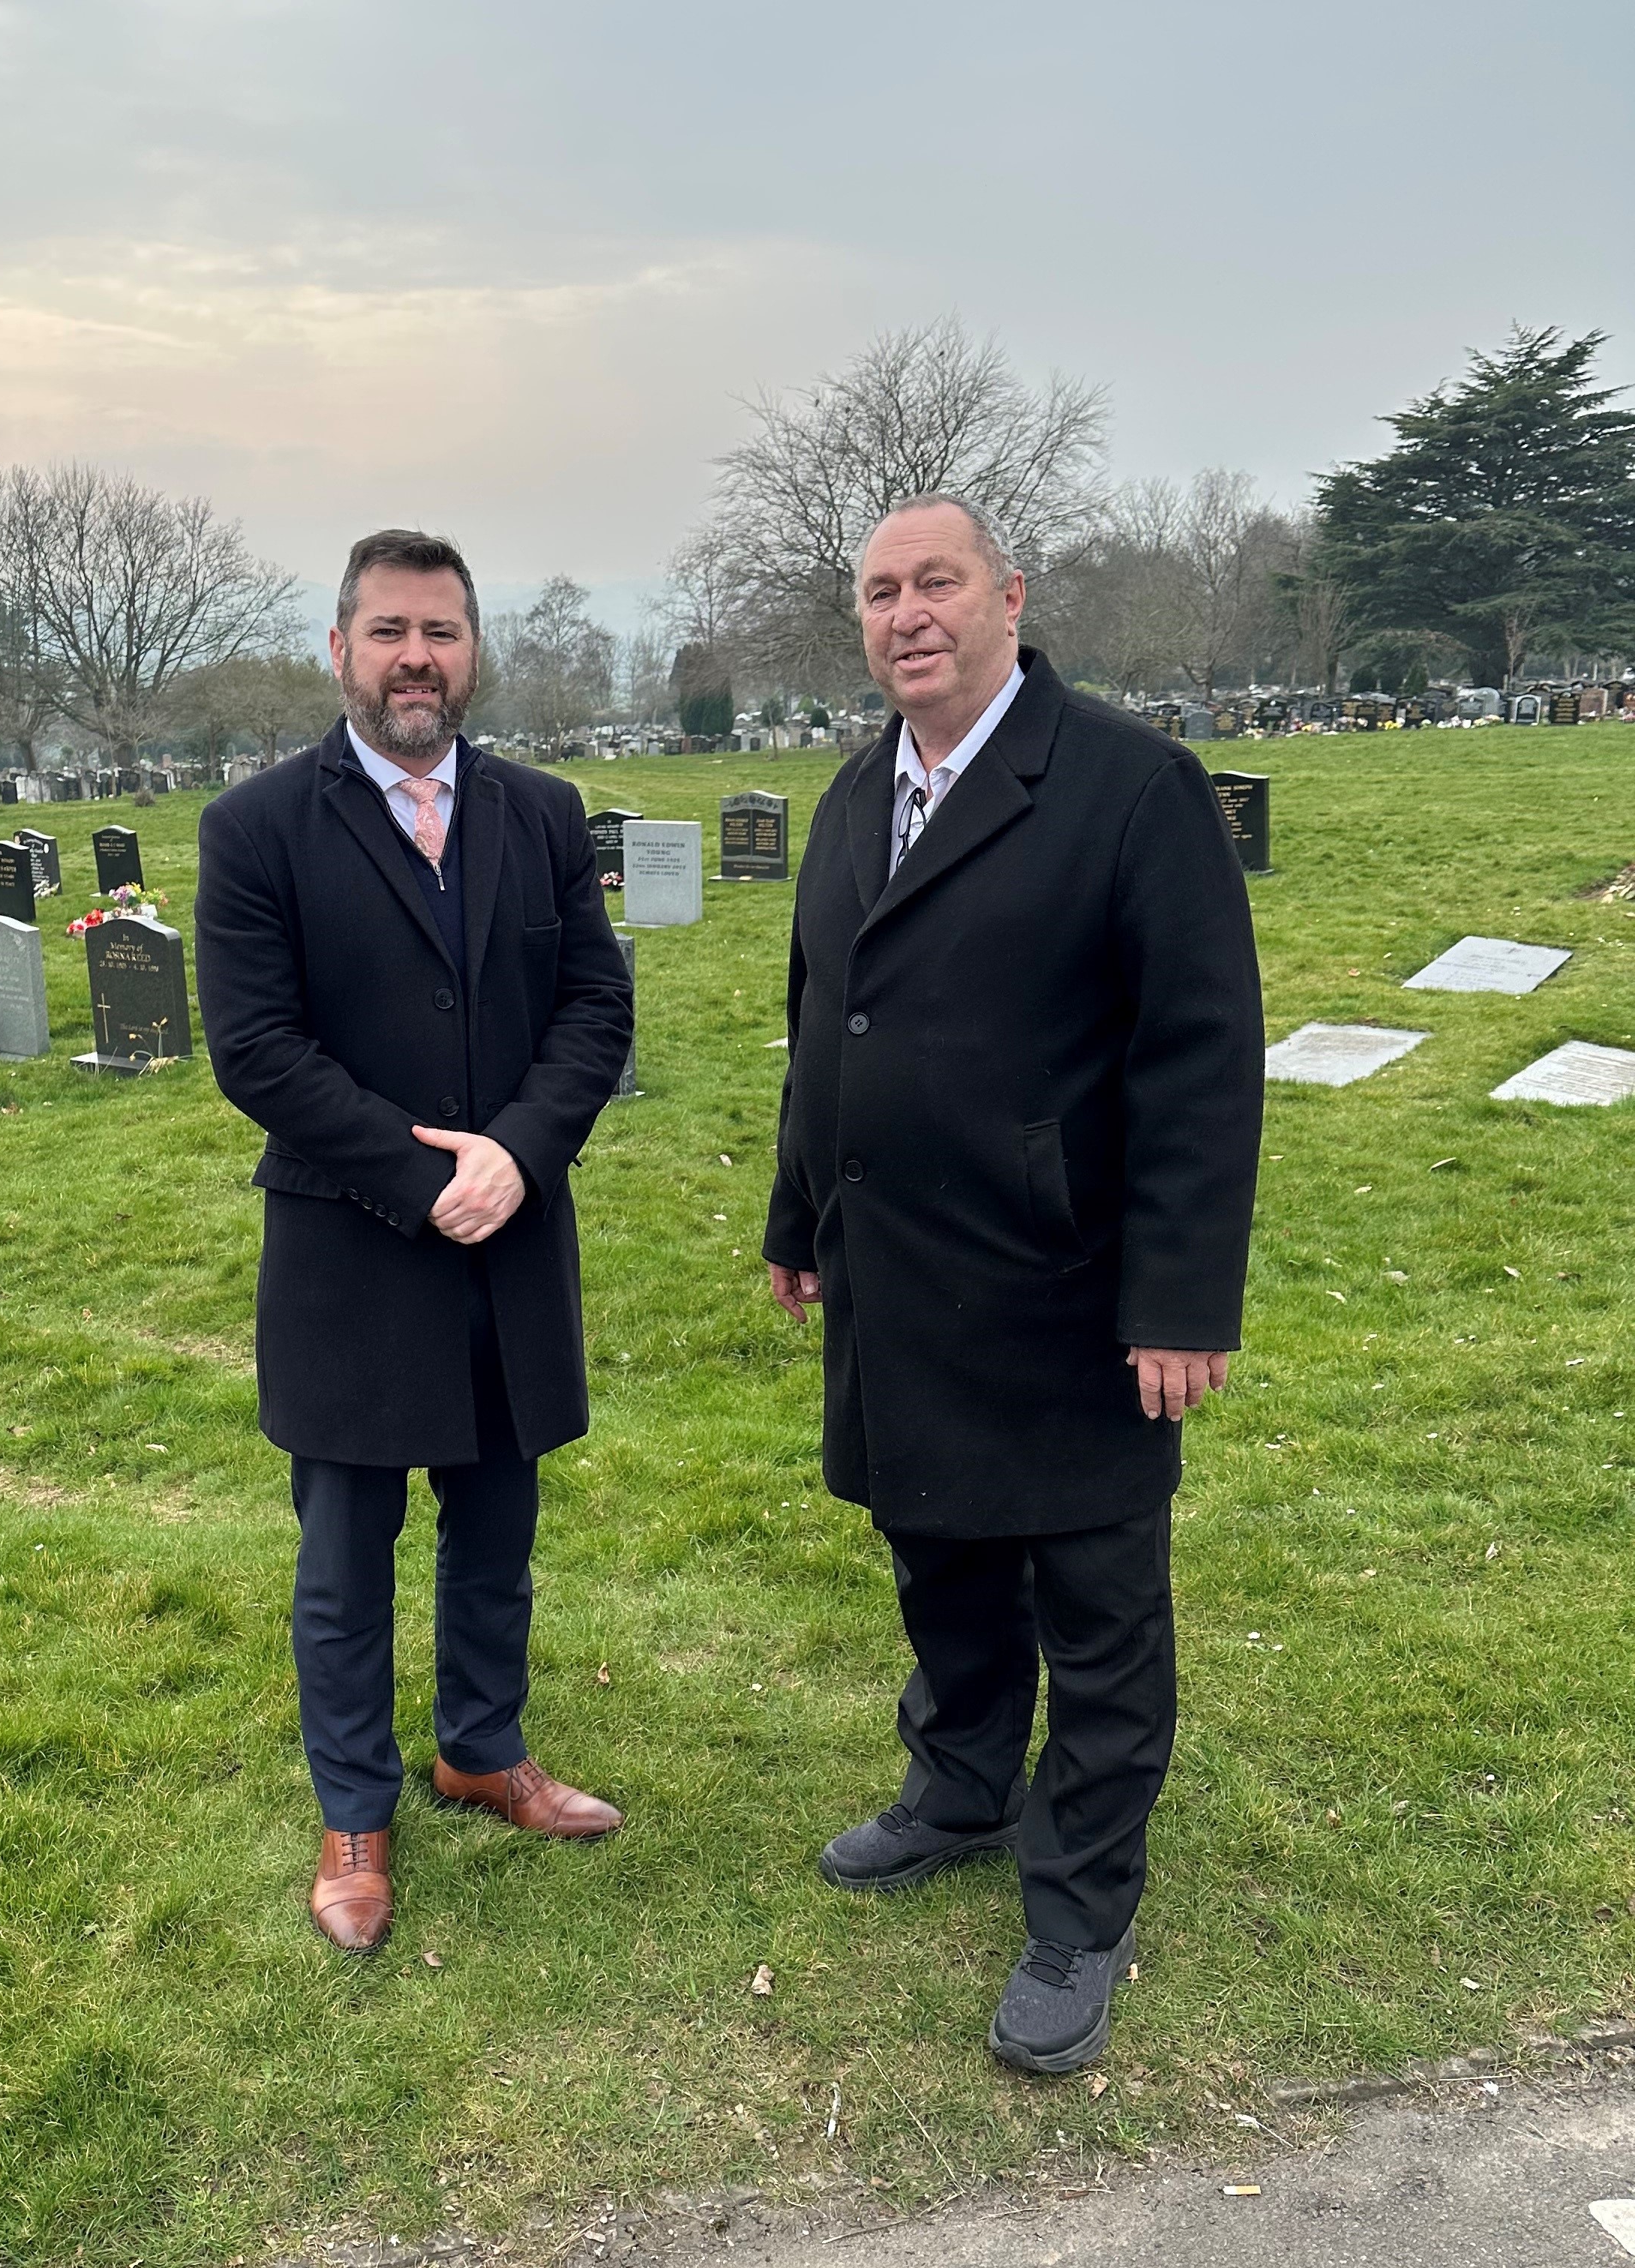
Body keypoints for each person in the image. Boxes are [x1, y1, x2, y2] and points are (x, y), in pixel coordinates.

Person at [762, 495, 1263, 2072]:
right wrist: (795, 1218)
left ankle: (1082, 1904)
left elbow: (1200, 1060)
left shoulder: (1129, 788)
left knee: (1097, 1614)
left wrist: (1180, 1299)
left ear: (1007, 597)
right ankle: (963, 1786)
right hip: (896, 1274)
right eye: (879, 592)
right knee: (943, 1567)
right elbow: (821, 1027)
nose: (907, 613)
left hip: (1065, 1282)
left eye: (937, 584)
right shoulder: (855, 799)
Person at [196, 528, 635, 1952]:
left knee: (497, 1520)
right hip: (352, 1243)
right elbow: (256, 1050)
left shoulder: (543, 813)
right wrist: (415, 1172)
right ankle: (354, 1817)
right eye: (388, 631)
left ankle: (480, 1747)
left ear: (472, 650)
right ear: (339, 651)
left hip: (510, 1231)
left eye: (441, 632)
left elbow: (593, 1010)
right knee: (348, 1550)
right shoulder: (258, 828)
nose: (416, 659)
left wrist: (519, 1151)